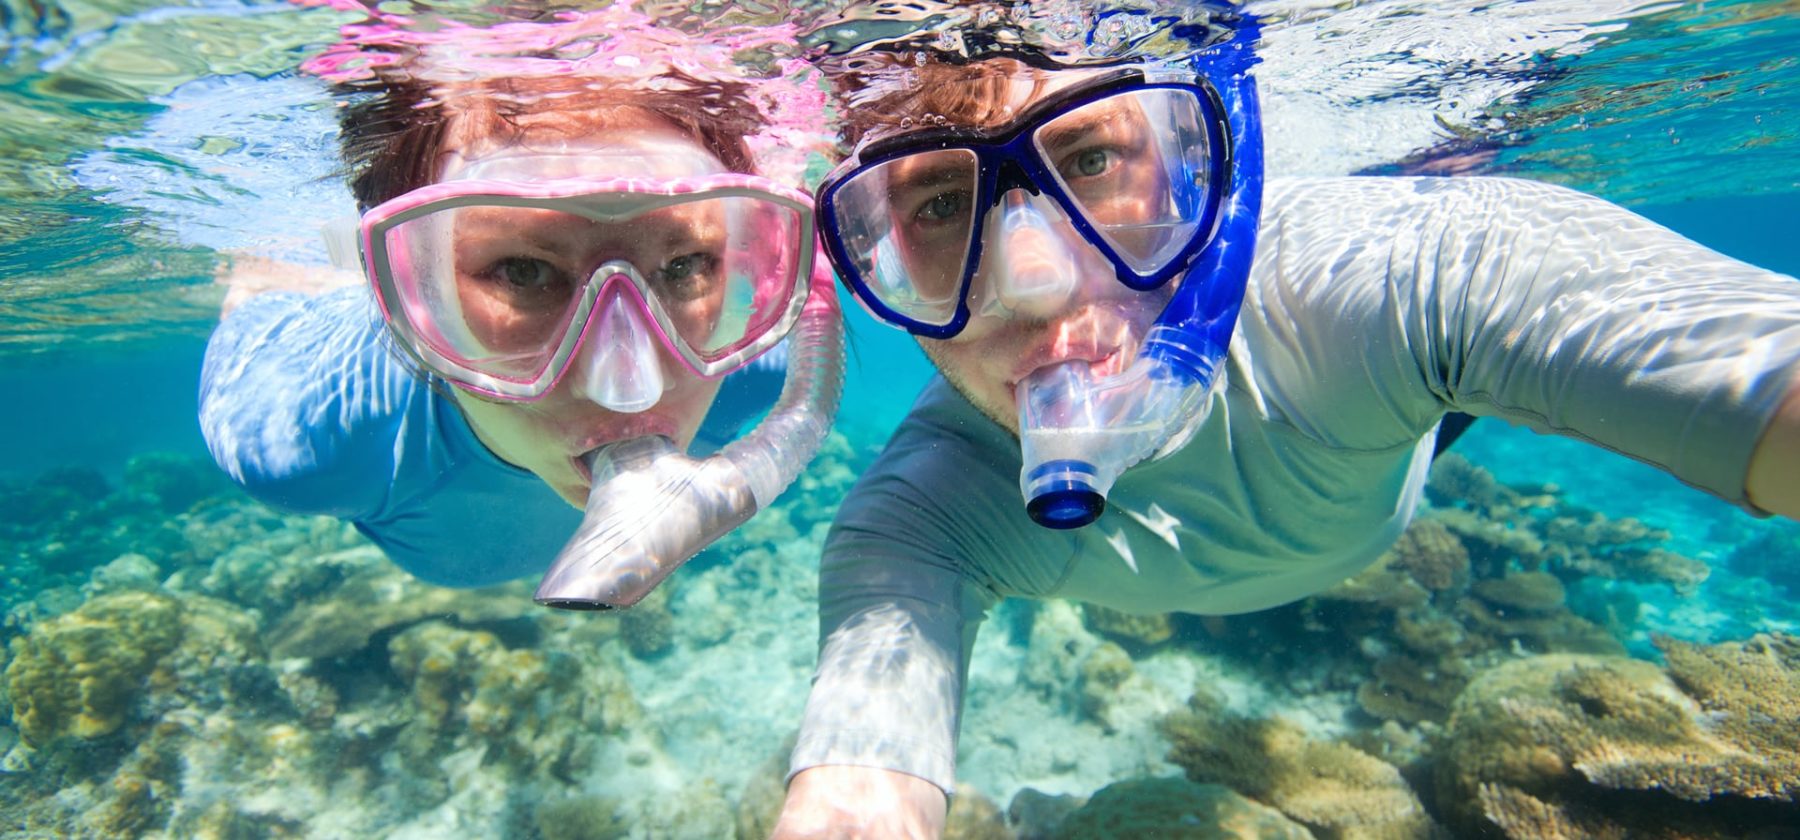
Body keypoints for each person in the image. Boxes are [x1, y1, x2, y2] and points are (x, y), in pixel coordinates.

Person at [773, 6, 1800, 836]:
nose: (1036, 287)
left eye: (1089, 160)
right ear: (870, 257)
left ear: (1192, 163)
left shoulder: (1393, 280)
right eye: (940, 208)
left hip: (1397, 419)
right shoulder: (918, 520)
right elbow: (859, 800)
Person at [199, 5, 841, 607]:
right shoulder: (309, 442)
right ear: (398, 282)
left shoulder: (751, 367)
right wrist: (261, 279)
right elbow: (252, 312)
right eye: (525, 271)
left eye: (685, 265)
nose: (631, 390)